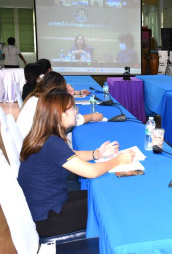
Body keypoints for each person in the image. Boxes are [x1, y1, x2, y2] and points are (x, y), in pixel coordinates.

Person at [18, 89, 135, 236]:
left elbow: (69, 155)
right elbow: (91, 172)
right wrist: (119, 160)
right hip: (50, 218)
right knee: (112, 204)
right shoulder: (52, 142)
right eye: (72, 108)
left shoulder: (43, 136)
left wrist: (96, 153)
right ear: (59, 114)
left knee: (100, 196)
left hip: (45, 207)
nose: (76, 111)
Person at [17, 71, 102, 138]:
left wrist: (70, 96)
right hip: (36, 149)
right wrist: (91, 116)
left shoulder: (35, 97)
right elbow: (72, 120)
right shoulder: (46, 103)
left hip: (28, 143)